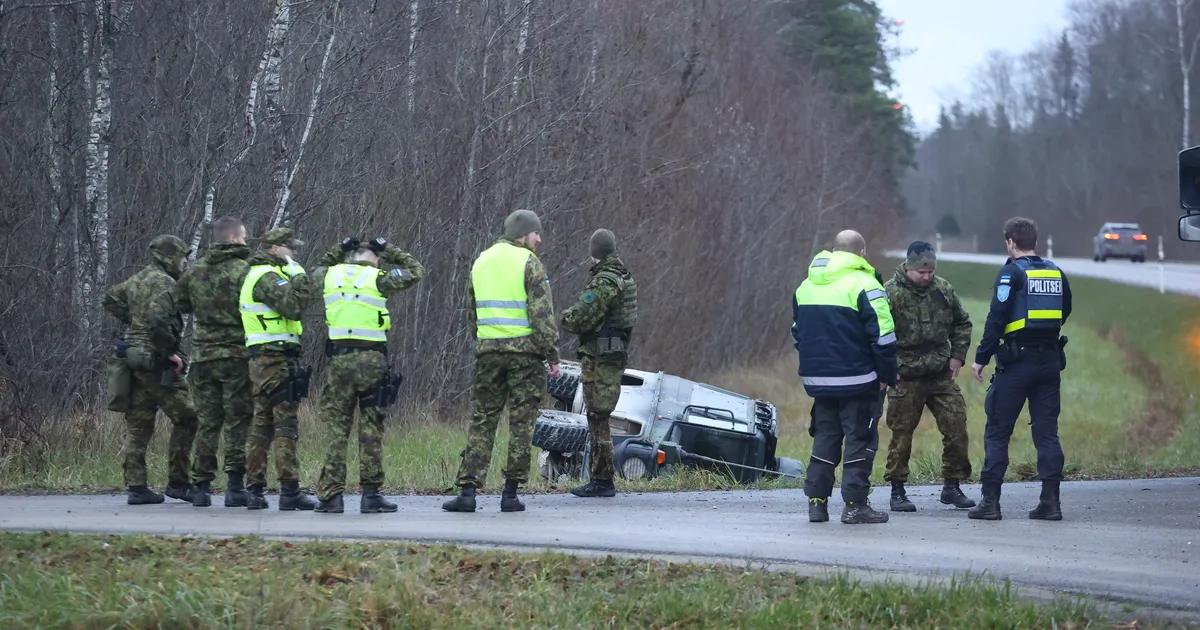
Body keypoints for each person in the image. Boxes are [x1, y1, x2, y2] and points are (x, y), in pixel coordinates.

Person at [443, 209, 560, 513]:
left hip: (489, 352)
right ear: (523, 233)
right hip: (525, 355)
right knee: (521, 423)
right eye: (536, 233)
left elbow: (471, 310)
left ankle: (467, 492)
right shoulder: (529, 262)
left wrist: (482, 341)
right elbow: (542, 313)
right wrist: (552, 354)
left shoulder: (481, 260)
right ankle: (510, 494)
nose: (539, 238)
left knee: (483, 419)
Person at [311, 236, 425, 514]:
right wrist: (389, 247)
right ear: (375, 259)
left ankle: (331, 497)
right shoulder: (379, 278)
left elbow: (315, 269)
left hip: (339, 361)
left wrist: (340, 246)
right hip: (372, 361)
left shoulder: (329, 276)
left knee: (338, 430)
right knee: (371, 428)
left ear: (352, 256)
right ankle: (371, 495)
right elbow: (417, 271)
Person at [969, 217, 1072, 521]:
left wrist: (981, 358)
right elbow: (1065, 309)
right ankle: (1051, 503)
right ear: (1035, 242)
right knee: (1047, 433)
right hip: (1050, 361)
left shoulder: (1010, 274)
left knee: (998, 430)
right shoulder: (1056, 272)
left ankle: (990, 503)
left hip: (1016, 363)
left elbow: (995, 319)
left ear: (1010, 243)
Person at [792, 230, 897, 524]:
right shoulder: (865, 284)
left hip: (819, 381)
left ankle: (816, 503)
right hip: (859, 380)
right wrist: (886, 375)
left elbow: (798, 333)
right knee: (860, 440)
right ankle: (855, 505)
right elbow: (884, 337)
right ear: (861, 253)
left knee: (825, 437)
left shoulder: (806, 285)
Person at [102, 235, 199, 505]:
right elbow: (158, 319)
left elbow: (109, 298)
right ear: (169, 257)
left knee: (138, 427)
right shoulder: (167, 284)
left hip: (131, 358)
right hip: (157, 360)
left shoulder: (136, 280)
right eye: (183, 258)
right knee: (187, 417)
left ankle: (137, 487)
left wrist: (132, 320)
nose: (185, 263)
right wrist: (170, 351)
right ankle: (178, 482)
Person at [882, 242, 976, 512]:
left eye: (930, 272)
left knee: (956, 425)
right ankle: (897, 489)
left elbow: (962, 322)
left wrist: (957, 355)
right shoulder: (890, 292)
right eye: (921, 272)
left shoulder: (943, 289)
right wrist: (889, 367)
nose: (926, 277)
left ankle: (952, 485)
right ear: (908, 268)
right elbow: (877, 334)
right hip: (905, 375)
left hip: (939, 373)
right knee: (902, 434)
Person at [177, 216, 253, 508]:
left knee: (208, 422)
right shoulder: (246, 271)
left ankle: (201, 487)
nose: (246, 241)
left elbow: (180, 303)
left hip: (205, 356)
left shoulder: (195, 272)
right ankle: (235, 486)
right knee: (237, 421)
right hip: (237, 356)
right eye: (244, 237)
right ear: (233, 239)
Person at [239, 227, 317, 511]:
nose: (294, 253)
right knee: (284, 424)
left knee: (262, 423)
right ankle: (289, 489)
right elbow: (293, 307)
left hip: (263, 359)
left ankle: (255, 490)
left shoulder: (258, 274)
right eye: (290, 248)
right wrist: (298, 275)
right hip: (274, 359)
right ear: (274, 249)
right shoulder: (266, 276)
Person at [561, 229, 637, 498]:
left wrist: (563, 317)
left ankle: (602, 479)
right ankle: (602, 479)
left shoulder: (605, 281)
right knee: (599, 416)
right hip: (613, 355)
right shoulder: (623, 276)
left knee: (597, 417)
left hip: (601, 358)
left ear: (596, 253)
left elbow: (581, 317)